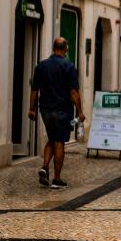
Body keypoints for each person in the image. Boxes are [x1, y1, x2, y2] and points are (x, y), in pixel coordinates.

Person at [28, 37, 85, 189]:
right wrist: (80, 112)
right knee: (59, 142)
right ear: (65, 49)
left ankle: (45, 167)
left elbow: (35, 90)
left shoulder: (41, 66)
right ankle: (57, 179)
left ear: (53, 48)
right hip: (62, 110)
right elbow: (74, 92)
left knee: (52, 139)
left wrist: (31, 109)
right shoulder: (68, 67)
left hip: (45, 109)